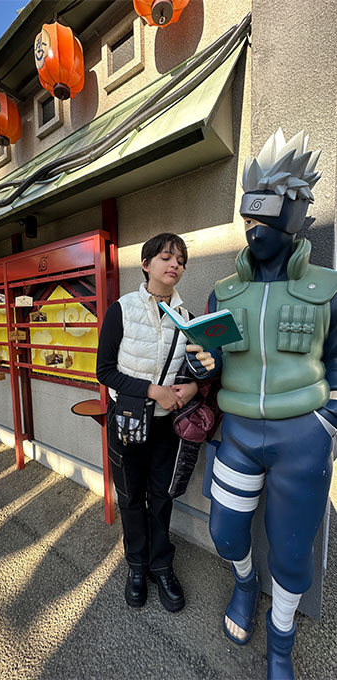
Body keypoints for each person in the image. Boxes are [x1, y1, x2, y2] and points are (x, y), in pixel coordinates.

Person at [202, 129, 331, 680]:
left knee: (294, 552)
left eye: (266, 215)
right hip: (236, 433)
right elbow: (204, 364)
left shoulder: (329, 289)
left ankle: (282, 643)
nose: (254, 229)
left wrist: (328, 418)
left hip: (302, 435)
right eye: (248, 217)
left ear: (296, 213)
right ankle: (243, 580)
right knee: (226, 533)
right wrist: (197, 366)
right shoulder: (224, 292)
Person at [96, 233, 201, 613]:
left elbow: (195, 370)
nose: (175, 265)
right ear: (146, 264)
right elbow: (104, 371)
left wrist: (190, 389)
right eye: (166, 257)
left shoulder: (187, 318)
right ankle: (137, 567)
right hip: (127, 420)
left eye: (180, 261)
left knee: (162, 496)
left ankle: (162, 565)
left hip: (165, 427)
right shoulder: (121, 310)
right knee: (130, 498)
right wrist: (152, 391)